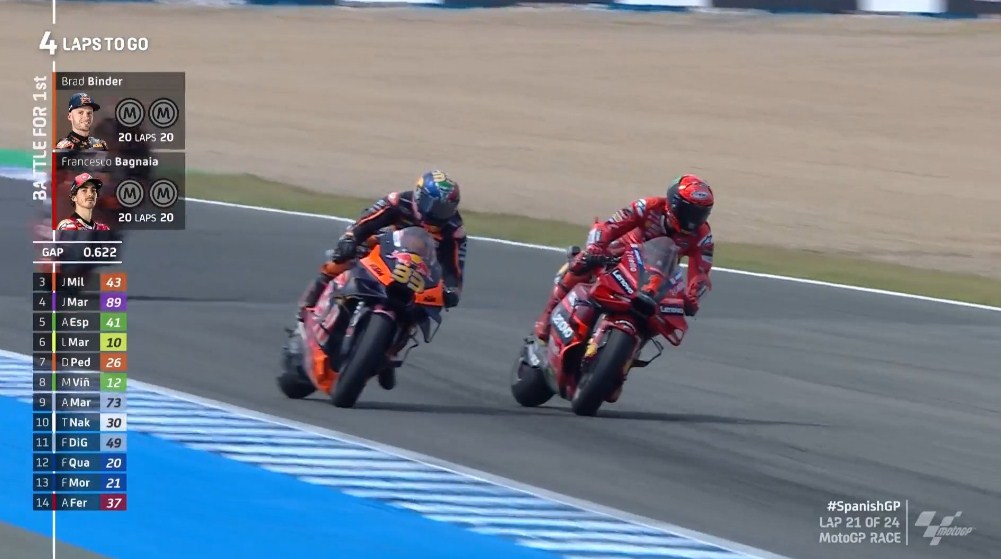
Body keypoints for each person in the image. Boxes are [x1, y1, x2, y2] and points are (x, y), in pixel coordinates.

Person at [533, 174, 715, 343]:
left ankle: (630, 351)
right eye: (688, 211)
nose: (692, 220)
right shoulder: (648, 207)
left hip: (658, 277)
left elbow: (701, 273)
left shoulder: (703, 236)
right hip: (620, 255)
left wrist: (692, 297)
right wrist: (596, 248)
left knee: (663, 317)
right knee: (581, 263)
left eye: (700, 213)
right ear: (672, 203)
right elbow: (610, 226)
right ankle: (547, 317)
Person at [298, 169, 467, 318]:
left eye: (445, 209)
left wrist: (452, 290)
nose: (438, 214)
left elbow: (454, 267)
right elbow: (366, 222)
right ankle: (307, 307)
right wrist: (351, 239)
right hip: (384, 248)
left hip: (419, 270)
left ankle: (398, 338)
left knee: (424, 309)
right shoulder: (399, 201)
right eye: (433, 206)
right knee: (341, 259)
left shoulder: (454, 230)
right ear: (419, 196)